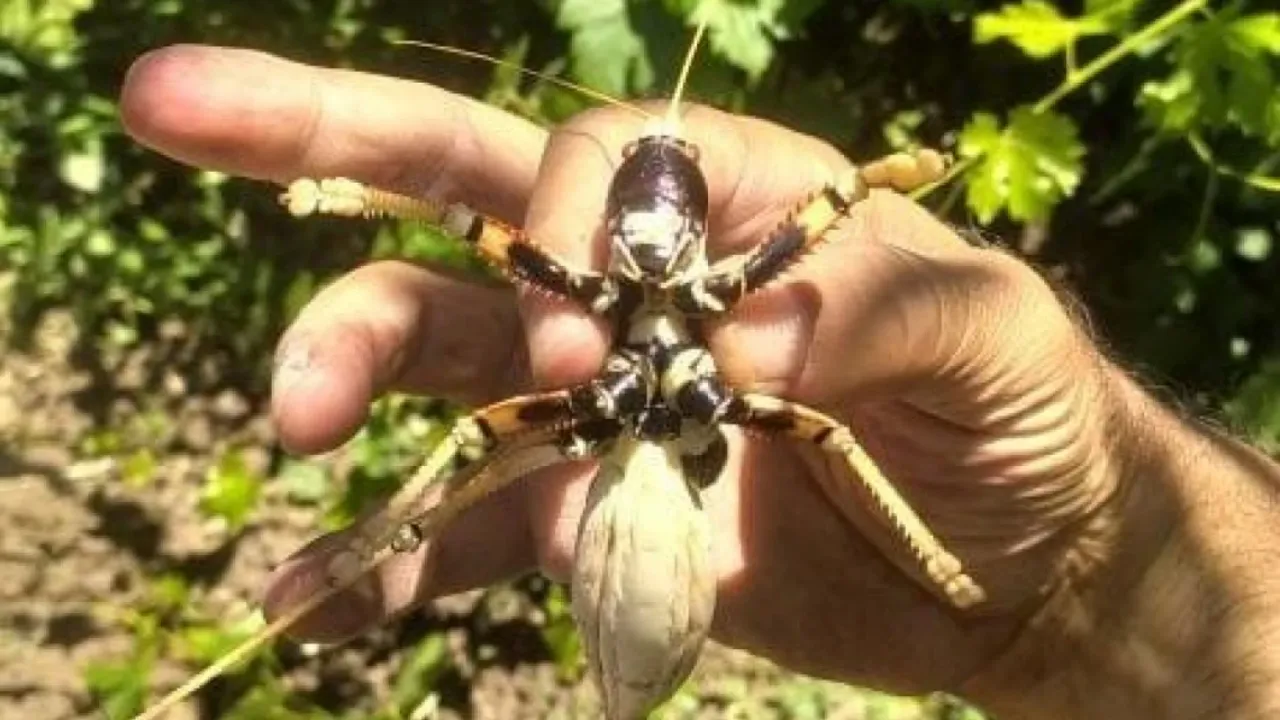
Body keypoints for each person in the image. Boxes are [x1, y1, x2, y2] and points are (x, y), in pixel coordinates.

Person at [120, 45, 1280, 719]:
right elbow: (471, 225)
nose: (658, 190)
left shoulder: (734, 302)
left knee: (805, 424)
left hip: (654, 489)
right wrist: (355, 197)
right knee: (477, 443)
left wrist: (1090, 571)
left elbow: (824, 215)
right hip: (638, 472)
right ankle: (373, 544)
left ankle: (929, 554)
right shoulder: (593, 292)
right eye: (647, 174)